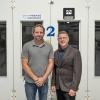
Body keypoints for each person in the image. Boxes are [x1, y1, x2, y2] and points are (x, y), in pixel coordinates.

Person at [21, 24, 54, 100]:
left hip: (44, 82)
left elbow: (51, 63)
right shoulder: (27, 46)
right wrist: (36, 79)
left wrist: (44, 78)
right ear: (33, 33)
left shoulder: (49, 46)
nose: (39, 34)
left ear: (44, 33)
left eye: (41, 32)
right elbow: (24, 64)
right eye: (37, 32)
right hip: (30, 82)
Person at [51, 31, 82, 100]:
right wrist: (53, 84)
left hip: (69, 87)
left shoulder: (75, 52)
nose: (62, 40)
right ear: (58, 40)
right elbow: (54, 69)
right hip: (58, 87)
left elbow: (77, 72)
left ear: (68, 39)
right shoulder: (56, 52)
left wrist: (74, 88)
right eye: (60, 38)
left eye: (64, 38)